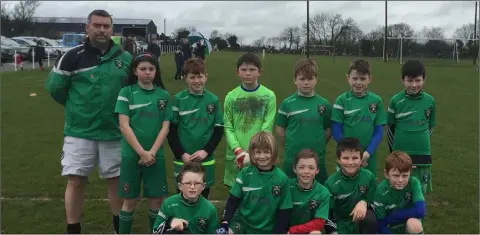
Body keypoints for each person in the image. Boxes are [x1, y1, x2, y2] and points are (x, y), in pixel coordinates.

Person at [45, 9, 132, 234]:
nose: (102, 30)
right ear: (87, 28)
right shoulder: (72, 56)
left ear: (112, 29)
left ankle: (118, 227)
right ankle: (73, 229)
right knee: (76, 180)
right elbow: (55, 89)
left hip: (114, 132)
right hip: (79, 132)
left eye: (106, 26)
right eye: (97, 25)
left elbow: (133, 92)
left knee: (115, 180)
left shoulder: (124, 58)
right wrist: (79, 108)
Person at [114, 52, 170, 234]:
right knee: (129, 201)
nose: (147, 72)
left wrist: (151, 152)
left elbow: (165, 127)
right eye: (143, 69)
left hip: (155, 156)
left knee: (156, 200)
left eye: (151, 69)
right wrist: (141, 153)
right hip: (132, 156)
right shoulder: (126, 93)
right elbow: (124, 126)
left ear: (156, 71)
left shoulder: (163, 95)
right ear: (135, 71)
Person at [167, 58, 224, 199]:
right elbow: (171, 132)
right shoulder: (178, 99)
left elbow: (219, 129)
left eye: (200, 76)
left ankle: (201, 221)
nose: (197, 81)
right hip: (183, 159)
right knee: (182, 196)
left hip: (205, 159)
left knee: (202, 195)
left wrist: (206, 151)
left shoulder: (213, 100)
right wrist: (182, 154)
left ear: (206, 76)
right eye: (192, 77)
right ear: (185, 78)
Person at [215, 131, 292, 234]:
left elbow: (284, 210)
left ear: (274, 153)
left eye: (266, 152)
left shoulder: (282, 179)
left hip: (267, 228)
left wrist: (279, 232)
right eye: (258, 152)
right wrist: (225, 222)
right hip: (242, 223)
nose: (262, 156)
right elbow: (233, 200)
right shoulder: (245, 173)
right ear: (252, 153)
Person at [223, 52, 276, 187]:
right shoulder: (231, 96)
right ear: (237, 72)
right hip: (236, 155)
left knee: (258, 192)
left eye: (252, 69)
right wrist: (238, 151)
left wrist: (252, 152)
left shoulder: (269, 96)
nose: (248, 73)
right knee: (236, 193)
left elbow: (267, 126)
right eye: (244, 69)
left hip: (260, 153)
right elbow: (228, 126)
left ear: (259, 72)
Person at [276, 58, 332, 184]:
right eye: (302, 79)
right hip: (293, 158)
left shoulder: (324, 104)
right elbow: (280, 129)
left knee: (319, 191)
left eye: (310, 79)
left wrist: (319, 143)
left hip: (317, 158)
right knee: (290, 191)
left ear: (316, 80)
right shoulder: (287, 103)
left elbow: (328, 130)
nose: (306, 83)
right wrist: (290, 145)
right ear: (295, 80)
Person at [386, 60, 436, 194]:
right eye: (410, 80)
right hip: (401, 153)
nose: (414, 85)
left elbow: (430, 127)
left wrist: (420, 141)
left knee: (420, 190)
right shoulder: (395, 101)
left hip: (423, 154)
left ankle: (417, 215)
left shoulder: (430, 101)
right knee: (399, 186)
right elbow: (390, 129)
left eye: (418, 80)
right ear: (402, 80)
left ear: (424, 80)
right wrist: (394, 153)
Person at [331, 59, 387, 177]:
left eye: (362, 79)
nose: (358, 83)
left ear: (369, 79)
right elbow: (336, 129)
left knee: (367, 188)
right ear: (348, 78)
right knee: (343, 187)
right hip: (346, 156)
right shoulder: (341, 100)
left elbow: (378, 132)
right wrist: (349, 153)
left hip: (368, 156)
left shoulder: (376, 101)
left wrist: (368, 153)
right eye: (355, 78)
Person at [324, 137, 377, 234]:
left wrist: (364, 203)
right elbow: (327, 216)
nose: (350, 162)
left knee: (370, 218)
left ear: (361, 159)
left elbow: (376, 203)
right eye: (345, 158)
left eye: (355, 158)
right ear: (338, 160)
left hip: (361, 223)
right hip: (340, 226)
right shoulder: (330, 183)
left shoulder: (369, 177)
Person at [152, 162, 219, 234]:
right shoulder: (168, 204)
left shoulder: (210, 210)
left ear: (203, 186)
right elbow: (155, 232)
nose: (192, 187)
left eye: (197, 183)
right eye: (188, 183)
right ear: (180, 186)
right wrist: (170, 222)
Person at [374, 151, 425, 234]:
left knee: (414, 225)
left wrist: (393, 216)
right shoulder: (381, 190)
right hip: (389, 228)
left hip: (406, 224)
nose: (400, 180)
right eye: (396, 176)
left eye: (405, 176)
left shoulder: (414, 183)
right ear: (386, 174)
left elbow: (420, 211)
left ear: (410, 173)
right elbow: (380, 223)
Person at [287, 149, 330, 234]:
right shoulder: (286, 186)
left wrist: (293, 230)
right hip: (285, 231)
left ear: (317, 170)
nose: (306, 172)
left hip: (302, 231)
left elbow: (319, 223)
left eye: (311, 168)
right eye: (301, 167)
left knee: (316, 233)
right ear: (294, 169)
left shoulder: (323, 192)